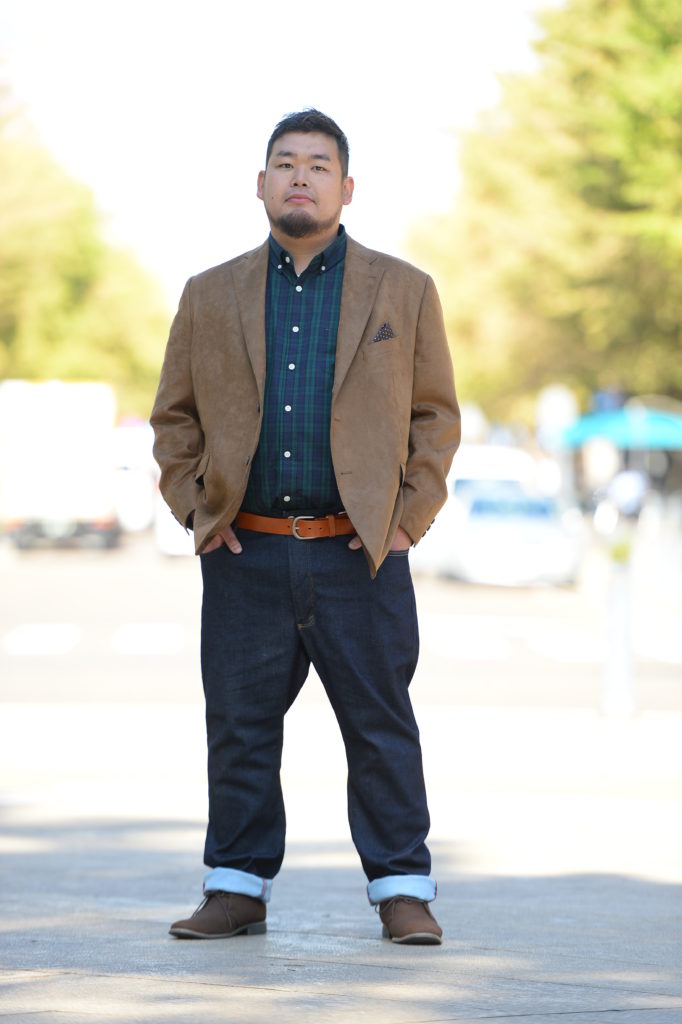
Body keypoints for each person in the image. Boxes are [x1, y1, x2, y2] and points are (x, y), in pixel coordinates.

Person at [151, 109, 460, 945]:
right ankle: (236, 888)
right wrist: (196, 510)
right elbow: (174, 417)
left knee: (380, 725)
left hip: (360, 554)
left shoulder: (403, 290)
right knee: (240, 726)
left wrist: (407, 521)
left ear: (346, 188)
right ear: (260, 184)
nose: (300, 176)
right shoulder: (209, 293)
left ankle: (403, 890)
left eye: (318, 165)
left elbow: (434, 417)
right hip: (245, 549)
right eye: (285, 162)